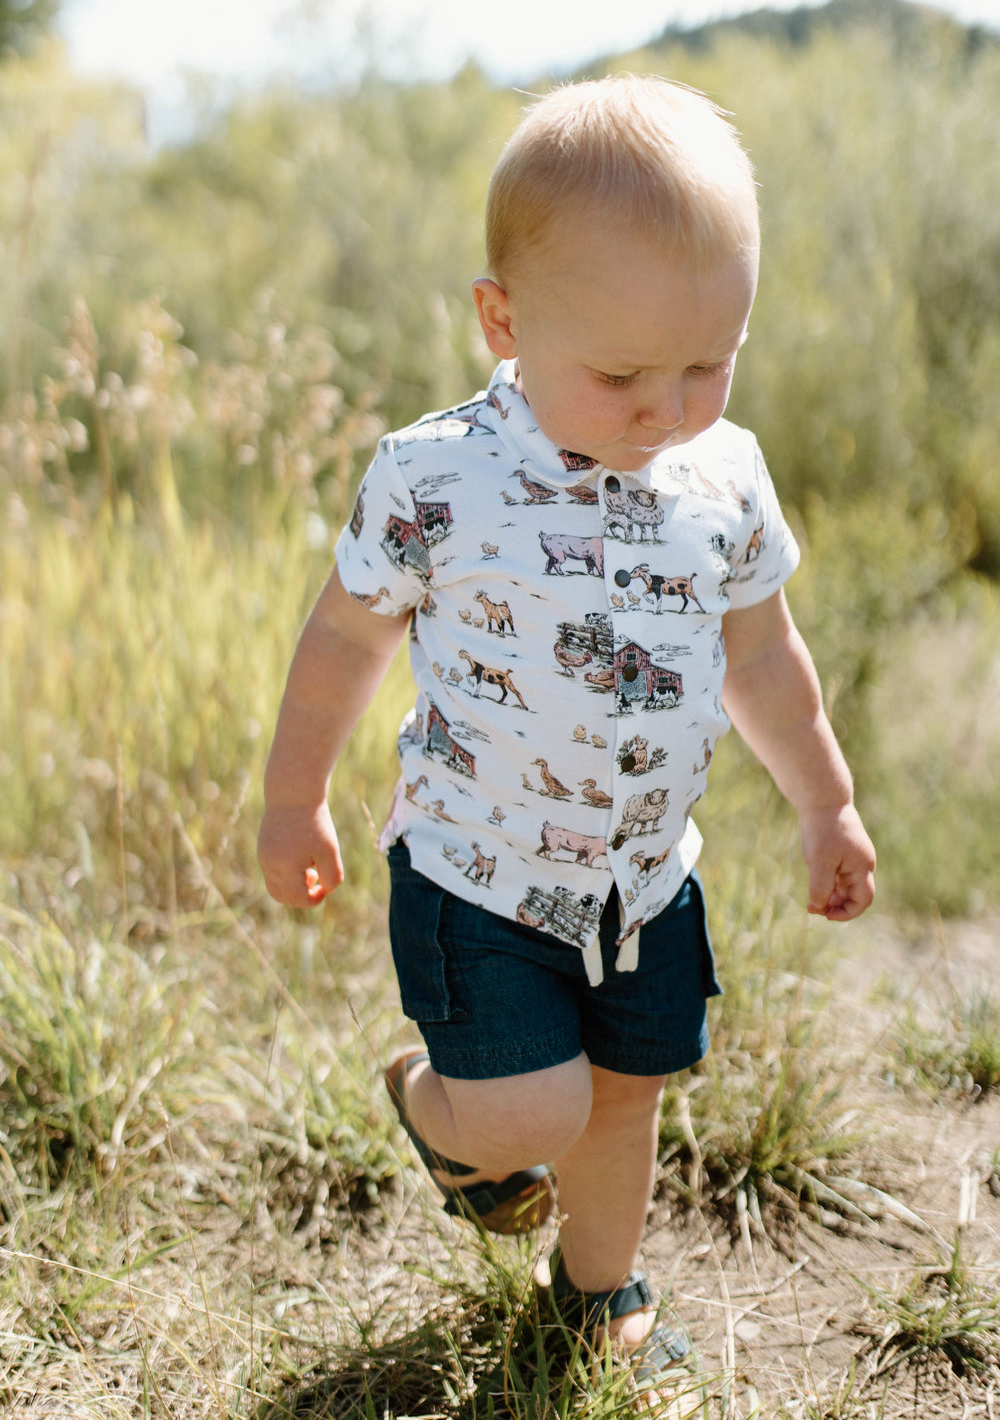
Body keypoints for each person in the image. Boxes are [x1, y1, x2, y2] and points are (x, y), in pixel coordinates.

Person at [258, 74, 876, 1404]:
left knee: (624, 1095)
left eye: (709, 362)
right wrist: (292, 796)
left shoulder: (723, 476)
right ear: (504, 319)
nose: (669, 408)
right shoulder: (436, 475)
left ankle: (598, 1295)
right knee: (530, 1113)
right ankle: (439, 1106)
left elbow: (765, 659)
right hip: (476, 874)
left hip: (645, 879)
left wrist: (826, 803)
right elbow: (345, 643)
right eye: (620, 375)